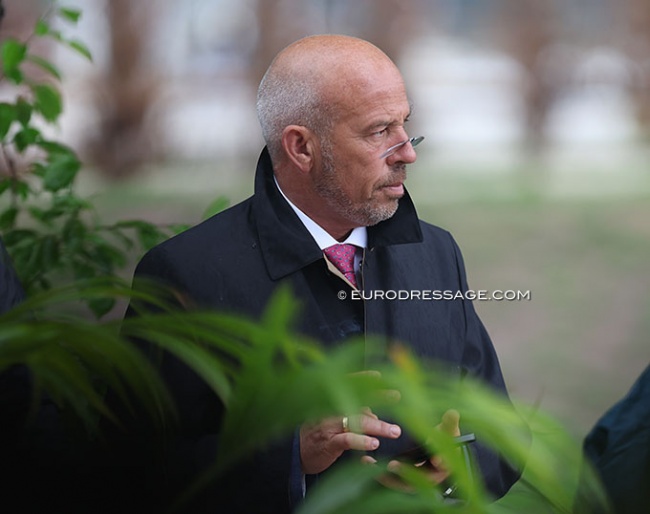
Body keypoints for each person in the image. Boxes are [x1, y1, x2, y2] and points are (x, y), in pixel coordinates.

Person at [115, 34, 521, 512]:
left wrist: (458, 470)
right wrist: (292, 458)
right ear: (302, 148)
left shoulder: (435, 253)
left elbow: (504, 433)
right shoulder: (186, 274)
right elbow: (132, 471)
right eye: (378, 131)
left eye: (404, 125)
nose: (407, 152)